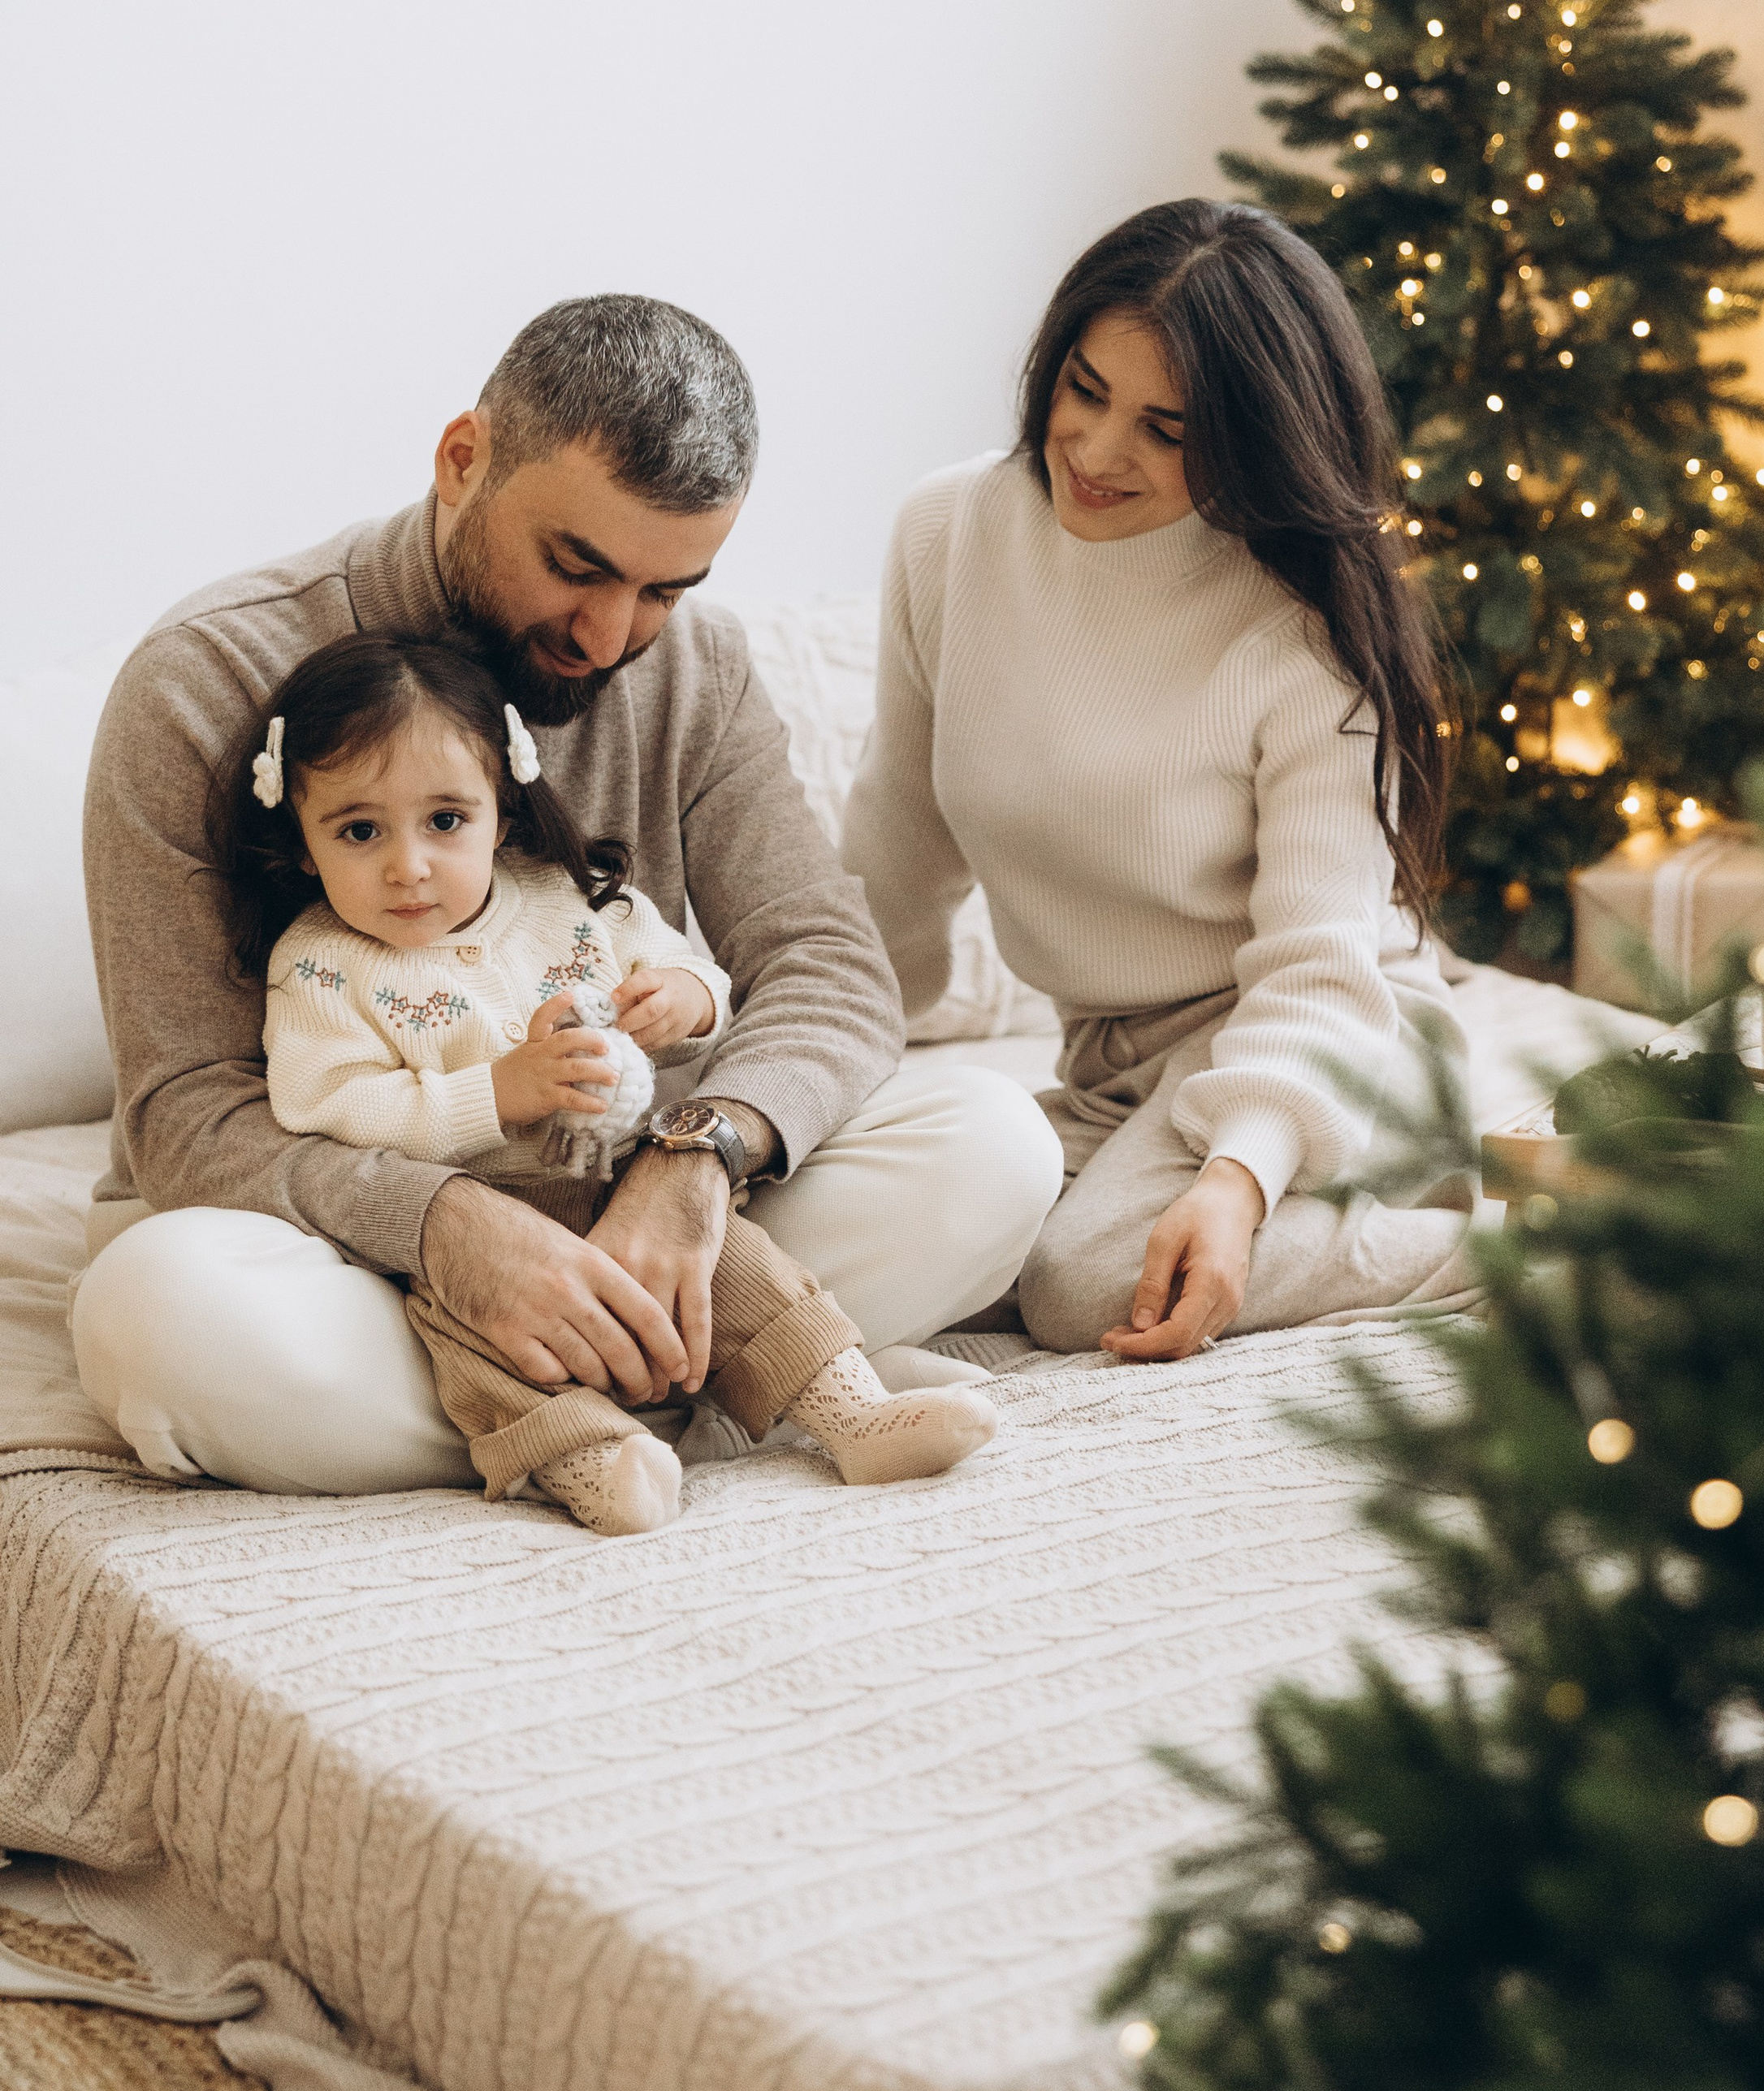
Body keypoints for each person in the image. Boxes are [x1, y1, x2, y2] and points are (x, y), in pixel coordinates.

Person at [72, 296, 1061, 1497]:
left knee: (996, 1143)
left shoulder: (696, 668)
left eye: (665, 589)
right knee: (156, 1314)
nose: (609, 635)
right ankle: (720, 1384)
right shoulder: (205, 677)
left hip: (625, 1197)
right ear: (461, 463)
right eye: (575, 566)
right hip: (334, 1244)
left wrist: (697, 1160)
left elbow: (830, 969)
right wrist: (448, 1226)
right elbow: (185, 1114)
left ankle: (596, 1395)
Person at [842, 198, 1481, 1360]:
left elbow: (1324, 968)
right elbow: (894, 858)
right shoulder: (948, 536)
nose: (1095, 450)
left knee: (1082, 1283)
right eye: (1083, 389)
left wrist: (1238, 1181)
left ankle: (1517, 1255)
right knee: (904, 1241)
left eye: (1166, 429)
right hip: (1113, 1076)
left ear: (1247, 442)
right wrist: (786, 1074)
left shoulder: (1303, 636)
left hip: (1331, 1048)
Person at [182, 629, 997, 1536]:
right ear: (300, 841)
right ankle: (593, 1458)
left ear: (500, 806)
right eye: (360, 831)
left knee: (747, 1267)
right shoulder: (322, 968)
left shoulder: (571, 901)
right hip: (470, 1221)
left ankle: (851, 1412)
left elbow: (699, 974)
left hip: (630, 1180)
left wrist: (683, 1001)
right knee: (484, 1351)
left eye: (445, 821)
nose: (407, 866)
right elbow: (321, 1104)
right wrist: (499, 1092)